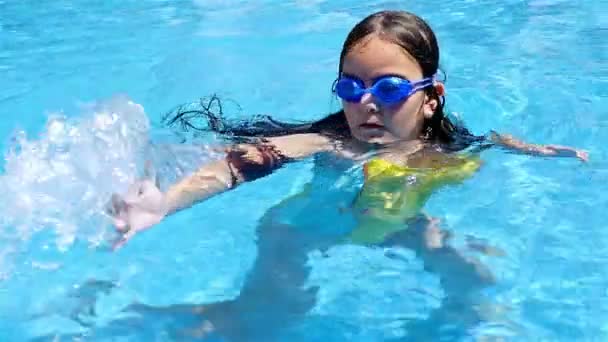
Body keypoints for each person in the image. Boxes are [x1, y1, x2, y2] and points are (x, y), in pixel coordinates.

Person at [108, 10, 587, 341]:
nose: (367, 103)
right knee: (266, 323)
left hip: (399, 225)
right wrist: (165, 203)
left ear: (432, 95)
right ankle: (135, 322)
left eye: (390, 87)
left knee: (474, 284)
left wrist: (537, 150)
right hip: (301, 231)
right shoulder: (333, 140)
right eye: (350, 87)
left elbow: (491, 139)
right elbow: (250, 160)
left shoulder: (447, 144)